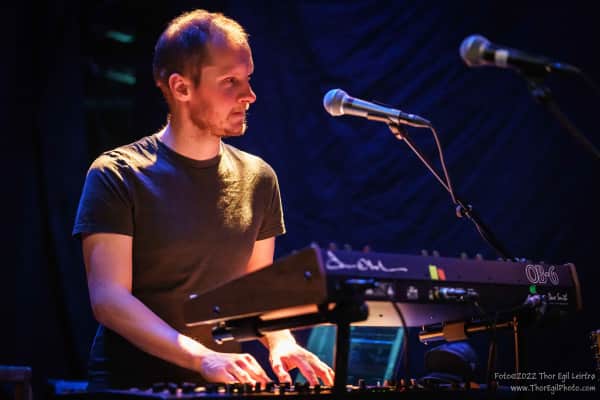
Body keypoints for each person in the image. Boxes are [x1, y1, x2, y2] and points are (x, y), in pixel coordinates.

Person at [73, 9, 334, 390]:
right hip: (131, 386)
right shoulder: (117, 174)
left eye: (248, 78)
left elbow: (253, 292)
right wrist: (202, 357)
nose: (249, 95)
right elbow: (109, 300)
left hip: (219, 383)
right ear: (181, 88)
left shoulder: (259, 178)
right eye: (230, 81)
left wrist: (282, 341)